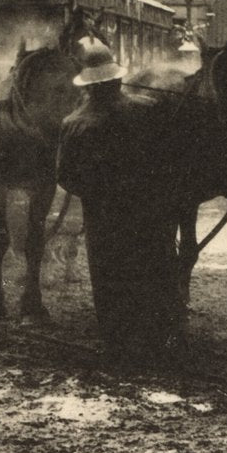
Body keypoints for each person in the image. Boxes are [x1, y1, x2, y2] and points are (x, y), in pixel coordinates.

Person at [56, 39, 185, 362]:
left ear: (88, 85)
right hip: (150, 212)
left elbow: (65, 177)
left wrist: (98, 192)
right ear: (116, 79)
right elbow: (172, 156)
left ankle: (118, 344)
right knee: (156, 270)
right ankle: (164, 341)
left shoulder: (73, 124)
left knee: (110, 277)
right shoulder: (148, 110)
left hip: (105, 219)